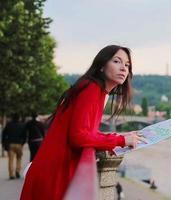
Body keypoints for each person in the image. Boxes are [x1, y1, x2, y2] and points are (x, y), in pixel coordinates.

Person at [20, 45, 146, 200]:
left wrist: (119, 137)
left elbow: (85, 131)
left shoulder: (95, 90)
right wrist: (120, 140)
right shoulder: (91, 89)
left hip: (52, 170)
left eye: (127, 65)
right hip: (55, 175)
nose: (123, 68)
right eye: (117, 61)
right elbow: (78, 136)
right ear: (101, 66)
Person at [2, 113, 26, 179]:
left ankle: (11, 175)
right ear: (19, 118)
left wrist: (4, 144)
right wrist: (22, 143)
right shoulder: (22, 125)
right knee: (19, 158)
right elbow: (25, 136)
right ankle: (17, 171)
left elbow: (4, 134)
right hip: (19, 144)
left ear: (12, 118)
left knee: (10, 160)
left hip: (10, 144)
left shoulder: (9, 124)